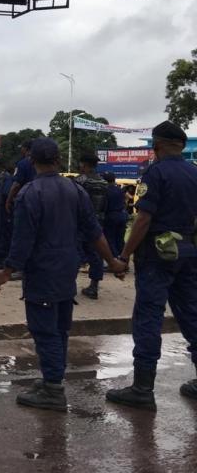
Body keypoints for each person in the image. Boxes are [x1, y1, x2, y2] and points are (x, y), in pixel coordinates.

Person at [0, 139, 126, 411]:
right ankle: (53, 379)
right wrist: (113, 262)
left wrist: (6, 271)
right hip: (67, 269)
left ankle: (53, 390)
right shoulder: (76, 190)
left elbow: (22, 240)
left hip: (42, 272)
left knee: (44, 330)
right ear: (59, 160)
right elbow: (94, 232)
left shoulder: (29, 193)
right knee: (60, 328)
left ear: (32, 162)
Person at [106, 121, 197, 411]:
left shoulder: (155, 173)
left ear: (156, 146)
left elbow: (143, 219)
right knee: (193, 314)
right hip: (188, 252)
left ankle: (143, 388)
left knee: (148, 316)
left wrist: (124, 256)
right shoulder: (195, 173)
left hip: (157, 256)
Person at [75, 153, 109, 299]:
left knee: (74, 252)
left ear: (84, 164)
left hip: (80, 222)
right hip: (98, 221)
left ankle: (68, 284)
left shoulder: (80, 181)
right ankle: (94, 286)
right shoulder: (103, 182)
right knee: (96, 254)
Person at [103, 172, 129, 258]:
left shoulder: (106, 190)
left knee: (110, 239)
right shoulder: (120, 190)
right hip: (122, 215)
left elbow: (105, 205)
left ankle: (115, 261)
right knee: (120, 239)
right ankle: (124, 260)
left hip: (111, 216)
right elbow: (125, 203)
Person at [6, 140, 36, 213]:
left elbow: (16, 185)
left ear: (25, 149)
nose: (20, 150)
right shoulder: (41, 161)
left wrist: (8, 200)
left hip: (26, 200)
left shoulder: (23, 163)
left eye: (21, 147)